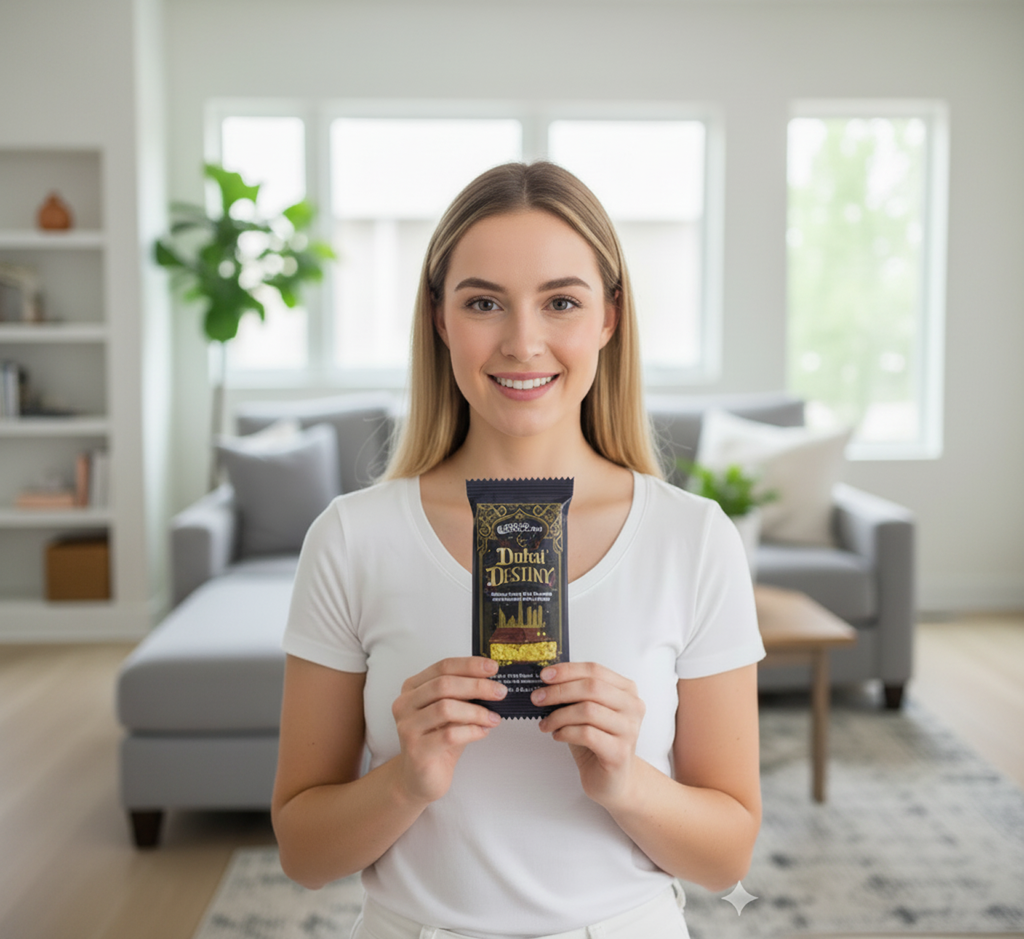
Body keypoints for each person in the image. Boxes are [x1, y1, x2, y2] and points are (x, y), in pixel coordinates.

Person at [271, 161, 766, 939]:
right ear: (440, 318)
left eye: (561, 301)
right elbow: (303, 854)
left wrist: (626, 782)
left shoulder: (693, 538)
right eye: (483, 303)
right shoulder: (352, 538)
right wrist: (408, 781)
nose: (523, 342)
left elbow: (726, 856)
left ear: (609, 316)